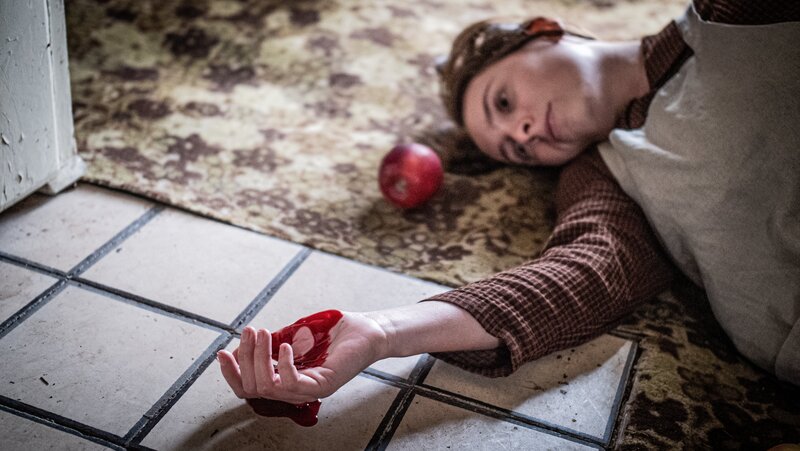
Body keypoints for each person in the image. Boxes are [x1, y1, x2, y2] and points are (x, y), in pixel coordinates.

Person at [217, 0, 800, 405]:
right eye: (514, 151)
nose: (521, 134)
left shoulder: (733, 20)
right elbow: (575, 278)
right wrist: (381, 332)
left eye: (502, 101)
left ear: (545, 31)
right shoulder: (605, 178)